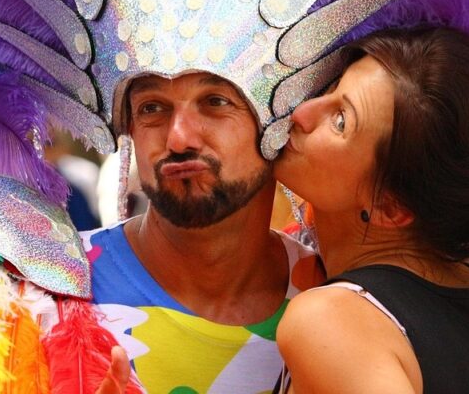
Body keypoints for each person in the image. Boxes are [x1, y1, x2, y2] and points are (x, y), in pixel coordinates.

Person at [273, 27, 469, 394]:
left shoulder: (330, 321)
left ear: (390, 206)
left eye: (341, 121)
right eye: (332, 87)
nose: (304, 112)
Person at [80, 71, 322, 393]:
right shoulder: (49, 293)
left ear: (283, 121)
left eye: (215, 102)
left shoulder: (343, 301)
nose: (178, 139)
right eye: (152, 108)